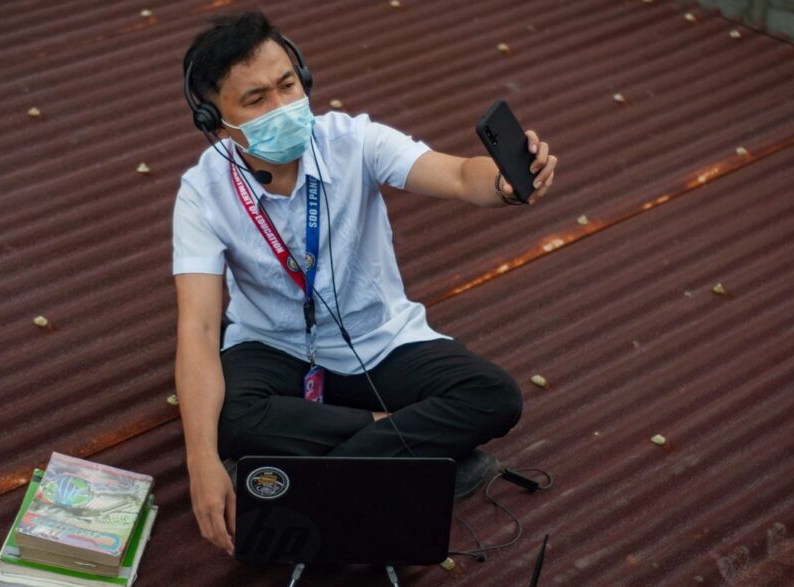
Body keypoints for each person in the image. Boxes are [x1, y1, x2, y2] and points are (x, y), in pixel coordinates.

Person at [172, 11, 558, 556]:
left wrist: (504, 183)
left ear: (303, 76)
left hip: (379, 341)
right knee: (228, 420)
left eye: (287, 85)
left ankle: (310, 479)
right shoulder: (201, 192)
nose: (282, 107)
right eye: (256, 100)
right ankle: (411, 448)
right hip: (274, 348)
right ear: (214, 119)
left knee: (493, 396)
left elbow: (455, 174)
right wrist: (201, 463)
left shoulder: (354, 140)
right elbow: (199, 327)